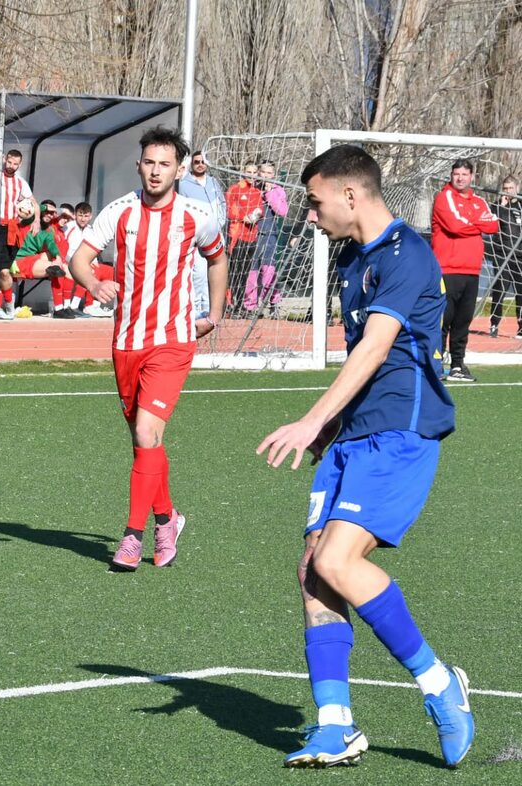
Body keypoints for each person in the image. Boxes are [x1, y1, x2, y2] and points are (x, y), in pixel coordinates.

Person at [258, 144, 472, 769]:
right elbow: (361, 361)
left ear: (350, 194)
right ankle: (335, 726)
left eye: (315, 200)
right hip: (354, 435)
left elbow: (376, 349)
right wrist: (329, 430)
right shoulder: (352, 259)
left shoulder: (409, 253)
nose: (310, 214)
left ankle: (440, 684)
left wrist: (310, 419)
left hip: (400, 430)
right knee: (314, 570)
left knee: (337, 559)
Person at [69, 127, 228, 571]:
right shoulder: (120, 211)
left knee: (145, 434)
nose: (156, 171)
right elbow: (78, 260)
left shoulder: (197, 215)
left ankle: (132, 537)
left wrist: (213, 314)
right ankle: (168, 519)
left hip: (173, 340)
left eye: (165, 164)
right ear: (138, 165)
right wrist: (94, 283)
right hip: (126, 342)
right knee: (146, 443)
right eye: (150, 162)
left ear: (179, 170)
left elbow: (217, 259)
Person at [431, 158, 499, 381]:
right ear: (451, 176)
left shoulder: (479, 201)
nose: (460, 178)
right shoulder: (444, 197)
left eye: (464, 174)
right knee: (443, 320)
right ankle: (435, 365)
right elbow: (455, 225)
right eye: (456, 174)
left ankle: (457, 365)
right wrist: (477, 224)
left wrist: (472, 222)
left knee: (462, 322)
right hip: (447, 270)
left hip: (472, 271)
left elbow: (493, 224)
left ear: (472, 177)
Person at [4, 199, 80, 319]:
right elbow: (37, 209)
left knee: (65, 268)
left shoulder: (48, 230)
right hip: (19, 262)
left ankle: (63, 307)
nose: (49, 215)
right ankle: (58, 308)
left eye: (52, 214)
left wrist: (58, 257)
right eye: (47, 212)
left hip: (32, 259)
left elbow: (51, 245)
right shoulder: (31, 221)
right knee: (56, 268)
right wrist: (60, 210)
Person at [178, 150, 228, 319]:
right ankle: (197, 308)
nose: (200, 165)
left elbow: (222, 204)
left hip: (216, 233)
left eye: (202, 161)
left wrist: (219, 223)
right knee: (198, 273)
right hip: (197, 235)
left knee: (216, 270)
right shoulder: (184, 184)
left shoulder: (214, 182)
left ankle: (211, 308)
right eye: (196, 162)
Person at [0, 149, 34, 316]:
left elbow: (32, 203)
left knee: (5, 270)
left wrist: (34, 219)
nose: (11, 166)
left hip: (12, 229)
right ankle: (0, 306)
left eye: (15, 164)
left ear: (20, 164)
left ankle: (7, 303)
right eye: (9, 162)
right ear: (4, 161)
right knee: (1, 270)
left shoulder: (21, 183)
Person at [244, 160, 290, 314]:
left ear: (274, 175)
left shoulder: (278, 190)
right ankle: (250, 306)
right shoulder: (252, 188)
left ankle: (273, 301)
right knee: (252, 273)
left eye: (269, 173)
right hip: (252, 235)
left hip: (270, 235)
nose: (265, 175)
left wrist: (269, 193)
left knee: (268, 272)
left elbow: (282, 211)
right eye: (263, 172)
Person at [486, 174, 521, 339]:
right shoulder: (496, 206)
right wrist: (502, 206)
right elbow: (490, 223)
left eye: (511, 188)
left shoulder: (520, 205)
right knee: (499, 290)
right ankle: (494, 324)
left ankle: (521, 326)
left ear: (517, 189)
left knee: (520, 292)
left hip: (520, 256)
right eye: (505, 188)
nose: (508, 191)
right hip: (502, 255)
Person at [225, 162, 263, 313]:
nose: (252, 175)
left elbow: (260, 210)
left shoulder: (257, 192)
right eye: (249, 172)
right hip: (237, 237)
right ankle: (232, 304)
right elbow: (229, 210)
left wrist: (257, 215)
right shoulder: (235, 189)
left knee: (245, 273)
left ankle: (241, 305)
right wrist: (243, 217)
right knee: (235, 271)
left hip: (251, 238)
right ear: (243, 172)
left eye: (254, 172)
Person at [65, 201, 112, 318]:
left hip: (86, 263)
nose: (83, 219)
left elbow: (93, 251)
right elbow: (63, 248)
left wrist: (93, 262)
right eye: (80, 215)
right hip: (68, 262)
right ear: (75, 215)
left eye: (86, 216)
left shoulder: (91, 230)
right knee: (87, 270)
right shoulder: (68, 227)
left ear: (90, 216)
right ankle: (82, 306)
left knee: (111, 272)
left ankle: (95, 304)